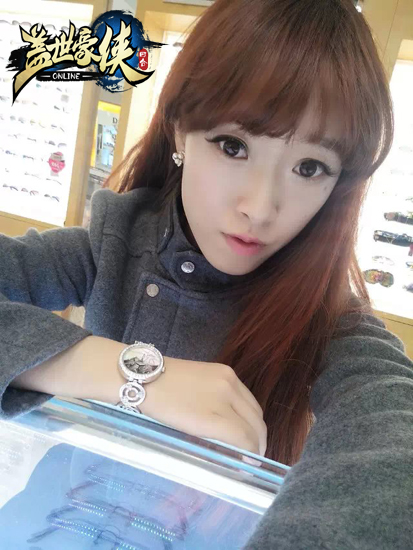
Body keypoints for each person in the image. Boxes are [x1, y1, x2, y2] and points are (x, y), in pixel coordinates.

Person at [0, 0, 412, 548]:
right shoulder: (113, 246)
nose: (260, 208)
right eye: (233, 146)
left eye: (309, 167)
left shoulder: (330, 323)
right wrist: (122, 373)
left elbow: (393, 441)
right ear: (179, 131)